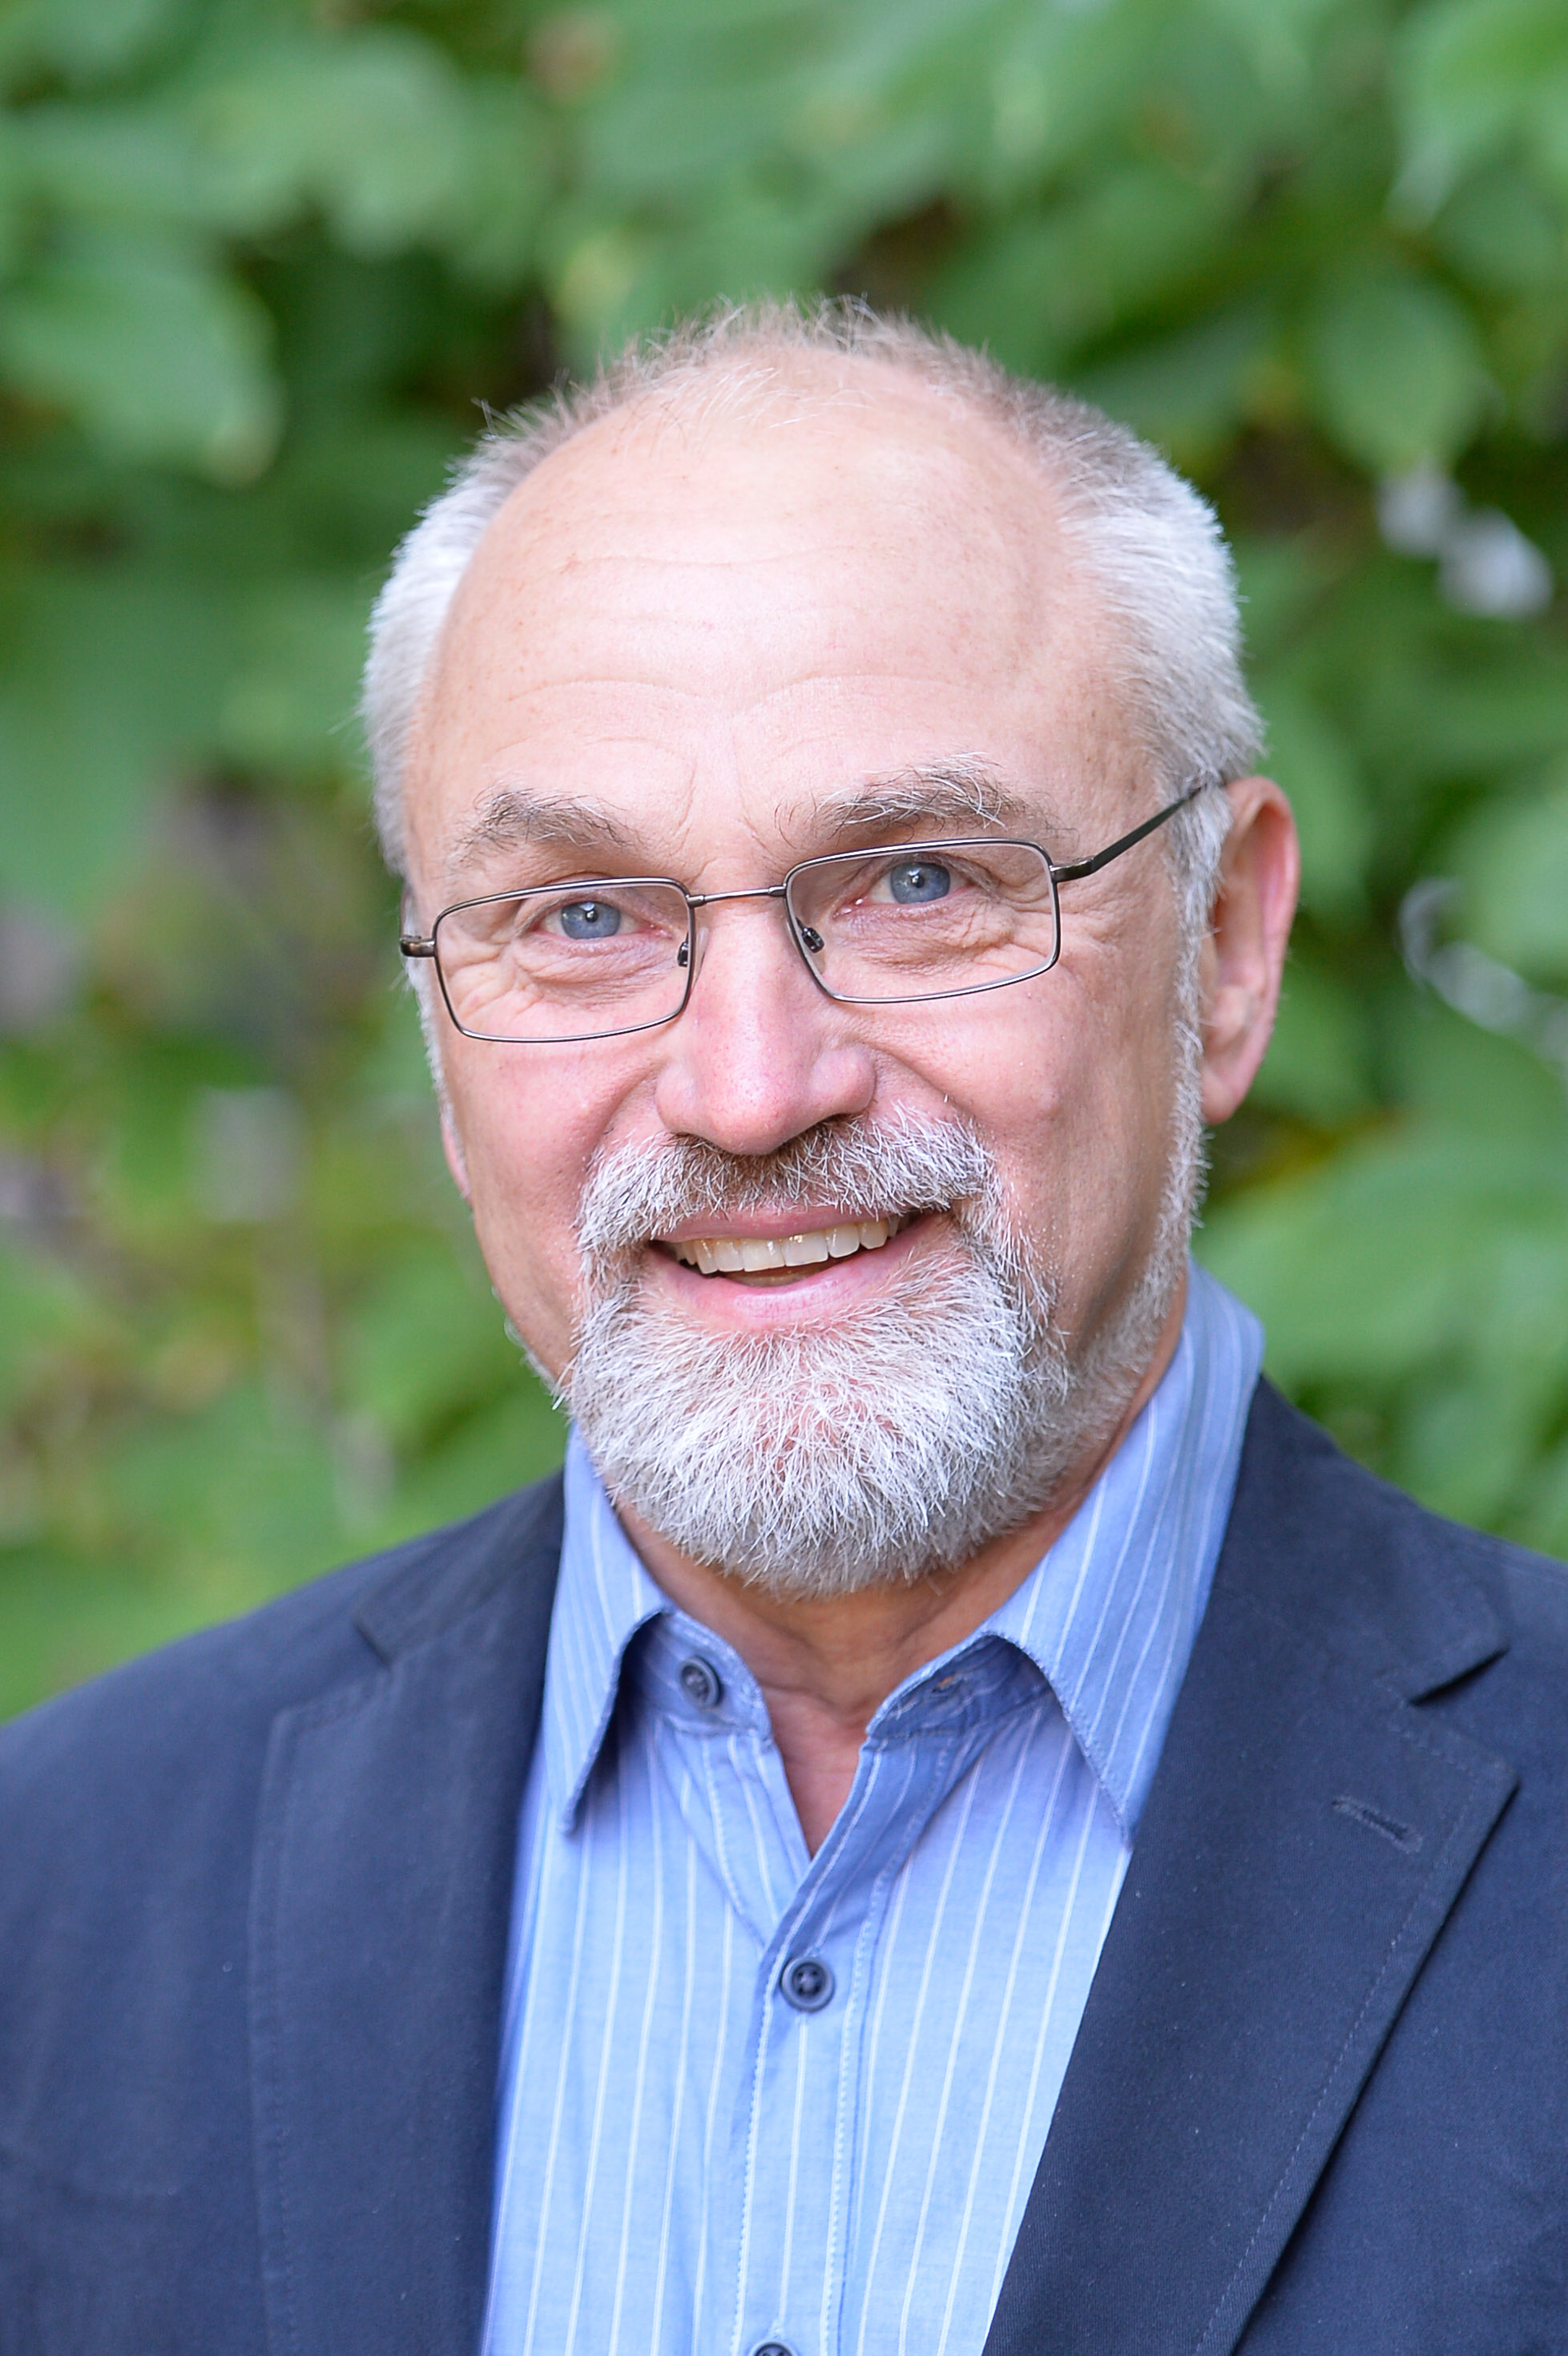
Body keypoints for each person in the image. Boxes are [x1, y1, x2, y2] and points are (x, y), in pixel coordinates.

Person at [2, 302, 1564, 2356]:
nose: (749, 1091)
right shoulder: (64, 1894)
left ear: (1222, 951)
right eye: (580, 918)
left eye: (917, 881)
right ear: (438, 1036)